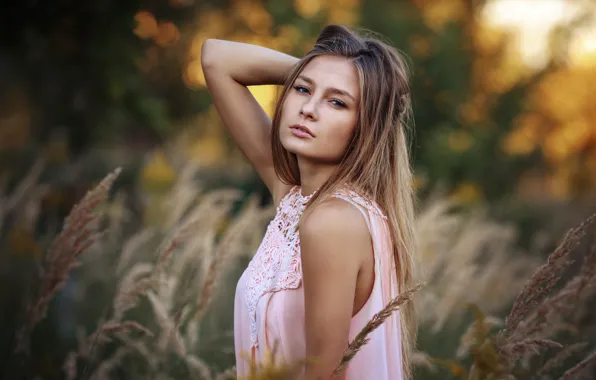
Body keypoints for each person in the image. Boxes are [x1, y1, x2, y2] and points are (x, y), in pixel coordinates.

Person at [201, 24, 418, 380]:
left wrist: (322, 76)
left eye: (337, 102)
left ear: (366, 126)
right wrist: (318, 69)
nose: (309, 109)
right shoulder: (294, 196)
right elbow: (216, 58)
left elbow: (323, 375)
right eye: (302, 90)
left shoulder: (332, 222)